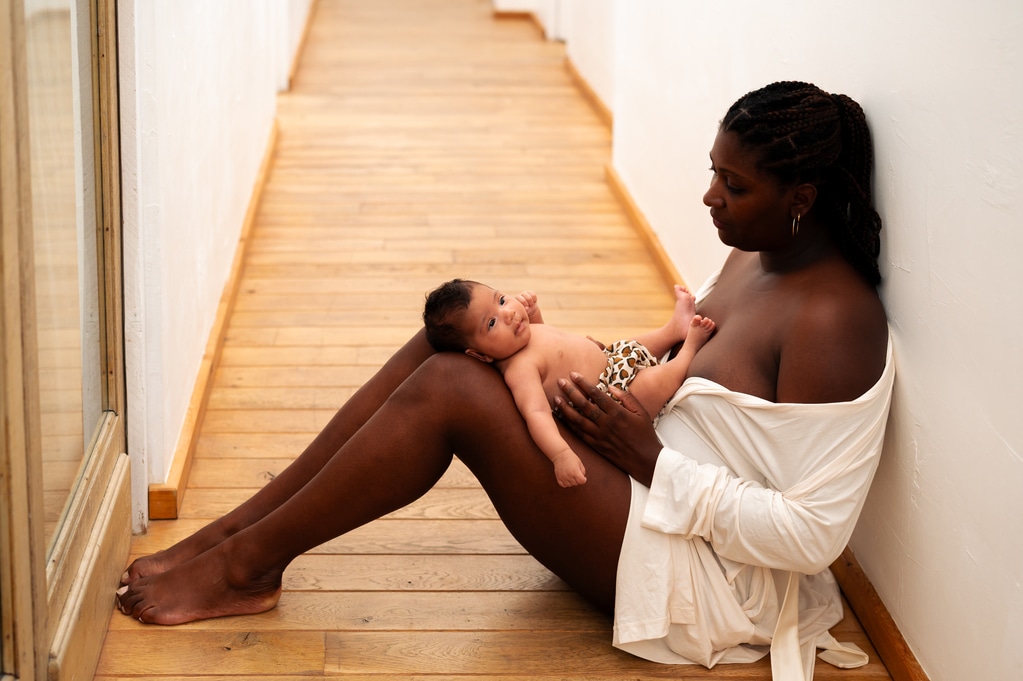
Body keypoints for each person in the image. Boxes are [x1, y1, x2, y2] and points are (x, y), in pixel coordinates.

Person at [116, 81, 893, 680]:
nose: (709, 197)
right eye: (712, 173)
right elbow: (684, 375)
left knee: (453, 389)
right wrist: (571, 358)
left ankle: (245, 567)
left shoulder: (833, 320)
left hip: (711, 579)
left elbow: (810, 536)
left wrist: (645, 455)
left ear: (800, 199)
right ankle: (238, 535)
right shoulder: (752, 256)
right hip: (649, 483)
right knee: (455, 336)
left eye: (734, 185)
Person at [422, 279, 715, 487]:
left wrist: (534, 314)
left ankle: (673, 329)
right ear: (480, 355)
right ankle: (688, 350)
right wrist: (560, 455)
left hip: (612, 361)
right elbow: (536, 414)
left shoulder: (521, 335)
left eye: (501, 299)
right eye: (491, 322)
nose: (509, 312)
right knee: (651, 384)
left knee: (632, 344)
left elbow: (549, 339)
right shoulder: (518, 370)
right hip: (611, 400)